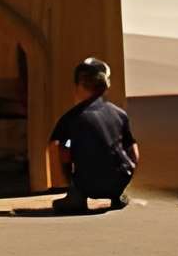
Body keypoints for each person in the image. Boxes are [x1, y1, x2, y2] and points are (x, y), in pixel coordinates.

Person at [48, 57, 138, 213]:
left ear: (78, 85)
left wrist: (64, 178)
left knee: (63, 145)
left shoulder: (71, 118)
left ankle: (75, 195)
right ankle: (118, 196)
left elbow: (60, 150)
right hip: (120, 180)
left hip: (88, 184)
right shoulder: (119, 114)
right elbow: (133, 150)